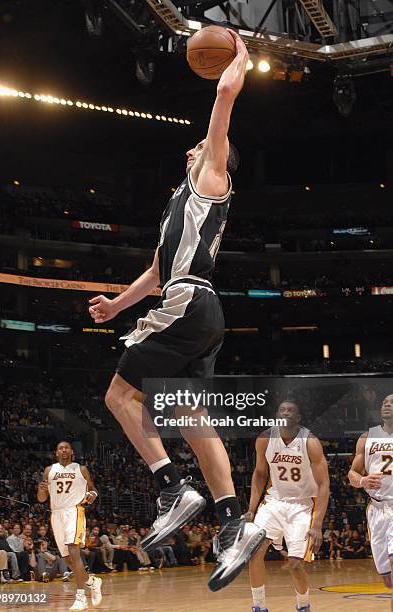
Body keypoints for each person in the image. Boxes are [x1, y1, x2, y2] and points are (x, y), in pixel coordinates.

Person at [88, 28, 265, 592]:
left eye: (199, 146)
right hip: (199, 308)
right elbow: (160, 272)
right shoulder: (181, 207)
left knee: (118, 395)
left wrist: (235, 65)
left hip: (189, 302)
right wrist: (119, 302)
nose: (191, 149)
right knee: (191, 419)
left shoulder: (211, 176)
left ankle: (170, 486)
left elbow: (223, 103)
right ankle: (234, 523)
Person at [248, 400, 330, 612]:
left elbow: (323, 484)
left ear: (298, 418)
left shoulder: (310, 442)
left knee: (295, 565)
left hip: (302, 506)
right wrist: (251, 508)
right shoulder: (265, 439)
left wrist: (318, 524)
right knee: (254, 553)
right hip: (274, 501)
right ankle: (259, 606)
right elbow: (259, 474)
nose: (285, 412)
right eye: (281, 409)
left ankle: (303, 605)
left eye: (290, 410)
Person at [37, 441, 102, 611]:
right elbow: (41, 499)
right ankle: (91, 581)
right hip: (56, 514)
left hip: (74, 511)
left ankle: (81, 597)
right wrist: (41, 489)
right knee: (66, 559)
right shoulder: (49, 471)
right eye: (60, 448)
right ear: (56, 453)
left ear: (72, 452)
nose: (63, 449)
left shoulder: (81, 469)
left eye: (66, 447)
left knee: (74, 552)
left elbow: (93, 488)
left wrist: (93, 494)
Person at [348, 394, 393, 611]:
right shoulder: (367, 437)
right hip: (377, 508)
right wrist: (364, 480)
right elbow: (352, 474)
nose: (387, 405)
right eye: (385, 402)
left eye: (392, 403)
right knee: (387, 578)